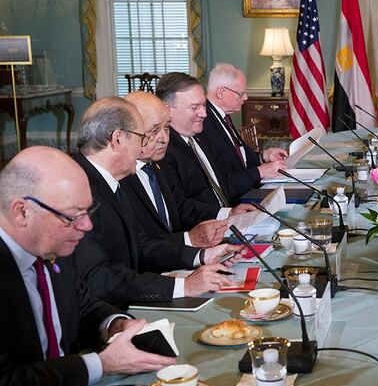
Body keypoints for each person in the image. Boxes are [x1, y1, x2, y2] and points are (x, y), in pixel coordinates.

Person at [0, 147, 175, 386]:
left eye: (88, 211)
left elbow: (81, 305)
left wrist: (116, 325)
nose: (87, 226)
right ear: (22, 212)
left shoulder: (51, 246)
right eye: (73, 216)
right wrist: (101, 364)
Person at [66, 97, 235, 308]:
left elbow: (142, 245)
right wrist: (183, 286)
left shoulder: (112, 180)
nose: (143, 146)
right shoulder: (77, 188)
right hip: (105, 315)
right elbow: (99, 278)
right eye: (141, 137)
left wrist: (202, 256)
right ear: (117, 140)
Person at [121, 92, 229, 255]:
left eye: (166, 127)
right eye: (154, 130)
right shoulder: (119, 178)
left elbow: (180, 208)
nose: (164, 138)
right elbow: (137, 247)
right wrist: (190, 241)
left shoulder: (159, 163)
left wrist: (225, 217)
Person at [157, 72, 258, 228]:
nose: (204, 113)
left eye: (204, 105)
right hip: (206, 231)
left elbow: (223, 181)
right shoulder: (164, 151)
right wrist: (227, 214)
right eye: (195, 107)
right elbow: (180, 208)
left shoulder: (200, 136)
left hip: (233, 217)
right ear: (168, 110)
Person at [198, 63, 287, 204]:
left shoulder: (222, 115)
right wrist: (260, 171)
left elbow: (239, 159)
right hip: (235, 202)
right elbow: (222, 181)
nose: (245, 97)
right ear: (221, 93)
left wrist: (264, 157)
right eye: (241, 93)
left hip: (247, 191)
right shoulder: (203, 123)